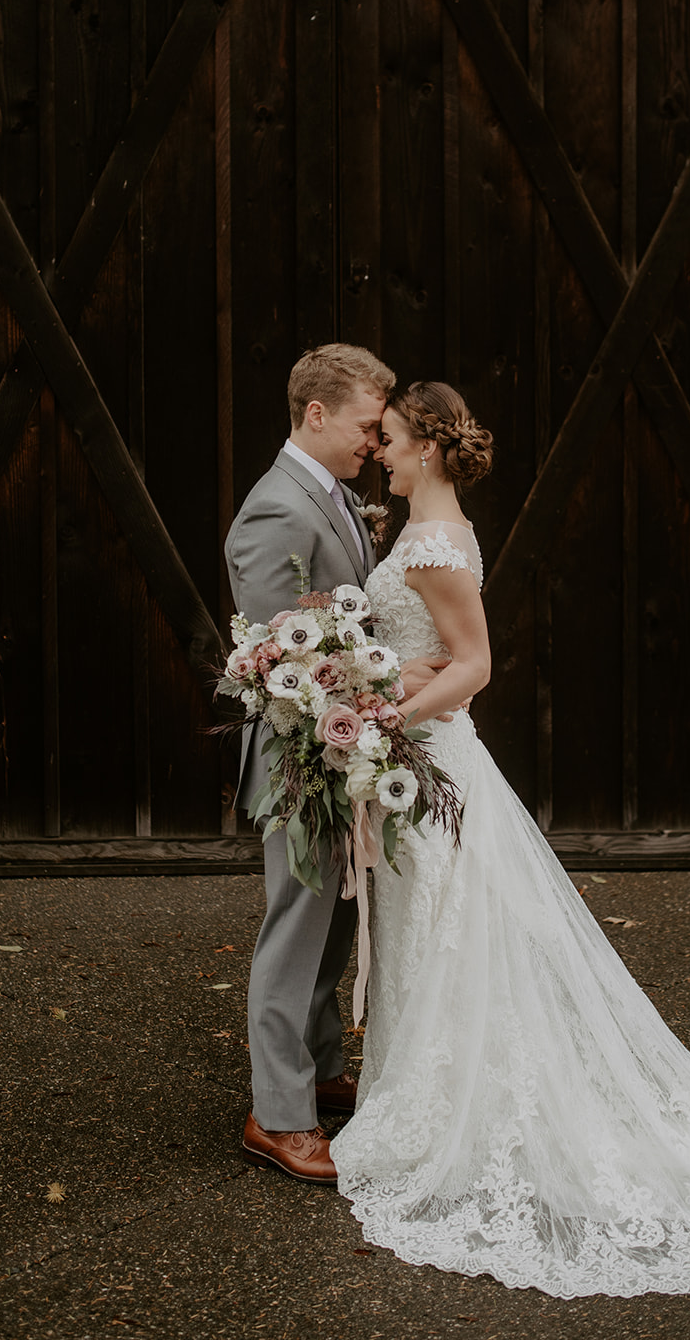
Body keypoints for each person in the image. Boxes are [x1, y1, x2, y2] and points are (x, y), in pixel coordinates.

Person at [330, 380, 690, 1299]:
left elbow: (475, 666)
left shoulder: (432, 545)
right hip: (417, 759)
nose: (379, 451)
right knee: (438, 928)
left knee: (448, 926)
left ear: (425, 446)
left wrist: (387, 720)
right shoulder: (430, 534)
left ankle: (455, 1113)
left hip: (431, 761)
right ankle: (424, 1097)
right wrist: (383, 680)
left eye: (387, 438)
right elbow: (431, 650)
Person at [225, 344, 443, 1185]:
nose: (371, 443)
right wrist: (398, 676)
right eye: (362, 426)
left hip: (344, 745)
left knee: (337, 923)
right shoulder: (276, 511)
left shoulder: (329, 495)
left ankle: (317, 1073)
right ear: (315, 415)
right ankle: (275, 1117)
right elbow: (285, 654)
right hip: (301, 755)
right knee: (297, 927)